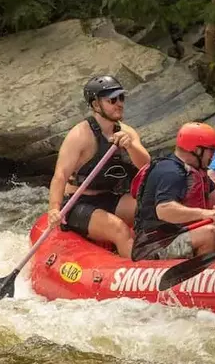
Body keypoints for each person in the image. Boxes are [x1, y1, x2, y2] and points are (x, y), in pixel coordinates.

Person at [48, 75, 150, 258]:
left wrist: (130, 146)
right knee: (120, 230)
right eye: (112, 100)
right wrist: (54, 208)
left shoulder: (127, 132)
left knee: (151, 208)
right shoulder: (80, 135)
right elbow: (60, 175)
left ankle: (163, 255)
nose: (119, 104)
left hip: (111, 197)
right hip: (78, 203)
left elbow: (145, 165)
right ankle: (138, 269)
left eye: (121, 98)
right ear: (96, 105)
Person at [131, 122, 215, 261]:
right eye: (211, 150)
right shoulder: (171, 172)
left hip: (178, 235)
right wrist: (205, 213)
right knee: (209, 233)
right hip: (154, 246)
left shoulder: (195, 171)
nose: (213, 155)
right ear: (197, 150)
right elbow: (164, 210)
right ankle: (200, 273)